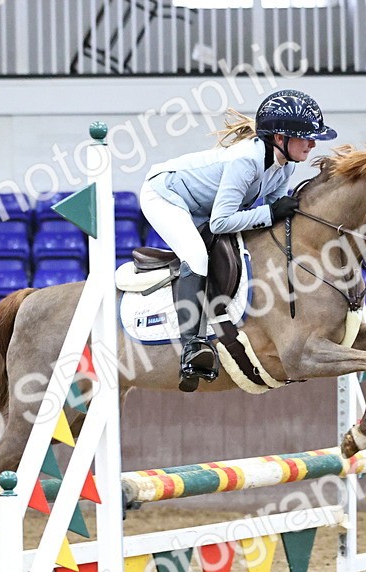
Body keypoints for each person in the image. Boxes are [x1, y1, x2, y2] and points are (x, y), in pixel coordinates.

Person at [139, 89, 337, 389]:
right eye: (306, 137)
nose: (313, 143)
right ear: (280, 138)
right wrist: (271, 213)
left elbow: (268, 220)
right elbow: (221, 221)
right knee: (195, 256)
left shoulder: (284, 168)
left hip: (202, 206)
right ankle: (191, 347)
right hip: (165, 195)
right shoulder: (246, 161)